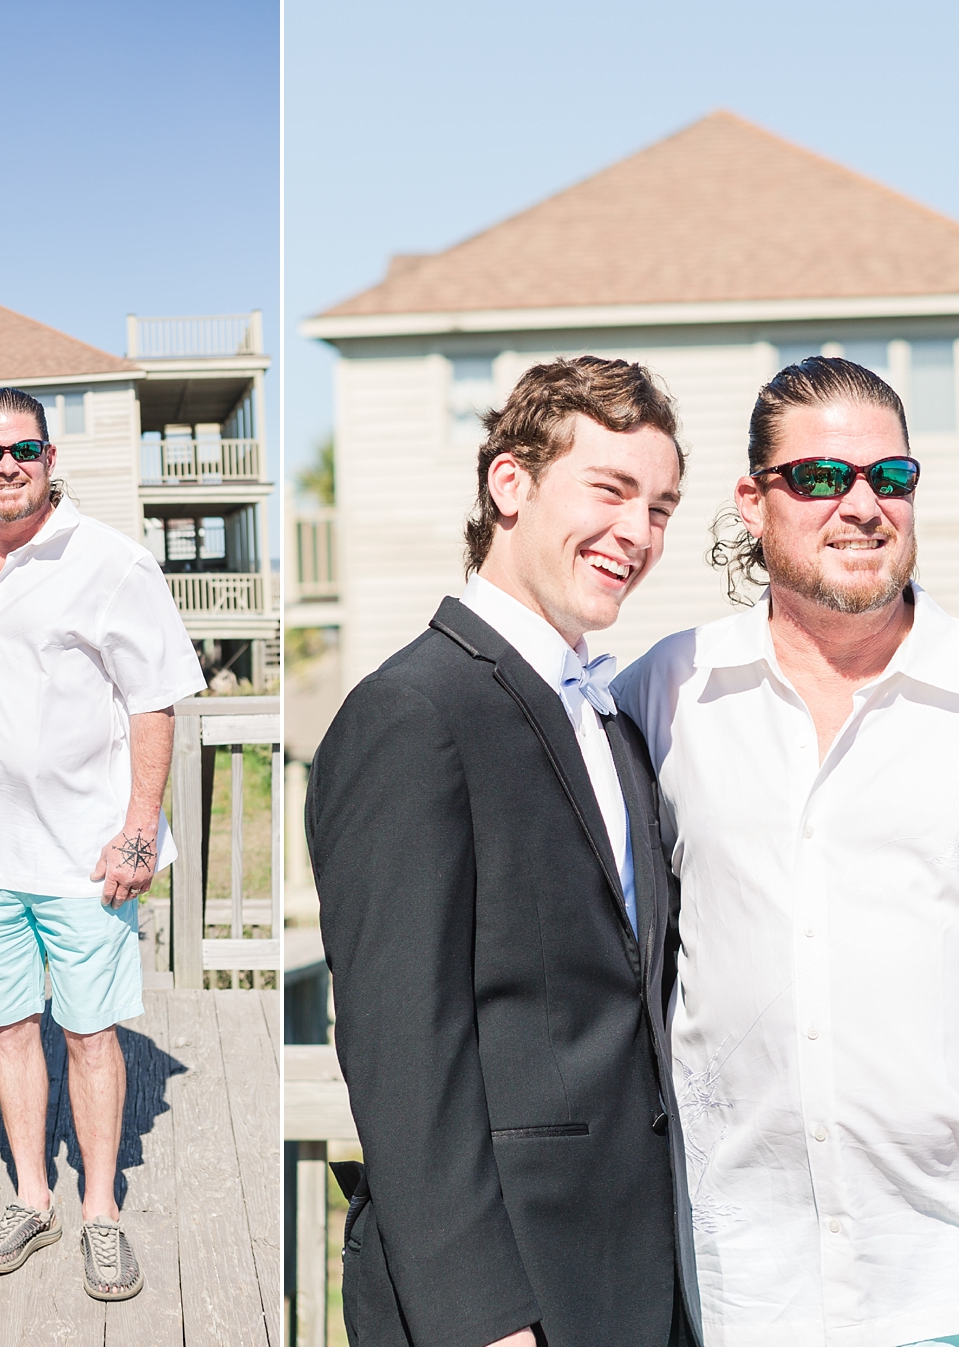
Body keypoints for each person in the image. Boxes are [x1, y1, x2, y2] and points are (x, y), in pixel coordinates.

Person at [613, 356, 959, 1347]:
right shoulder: (666, 695)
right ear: (753, 502)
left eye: (892, 477)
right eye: (821, 478)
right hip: (745, 1294)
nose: (862, 504)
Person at [307, 357, 700, 1347]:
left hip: (631, 1278)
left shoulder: (610, 720)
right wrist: (483, 1322)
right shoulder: (412, 713)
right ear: (510, 484)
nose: (637, 534)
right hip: (501, 1301)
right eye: (609, 491)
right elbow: (403, 1055)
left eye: (658, 507)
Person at [0, 387, 204, 1301]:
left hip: (83, 854)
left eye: (24, 448)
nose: (6, 465)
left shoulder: (111, 562)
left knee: (90, 1036)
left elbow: (154, 700)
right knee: (8, 1031)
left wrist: (139, 830)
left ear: (51, 458)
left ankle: (100, 1213)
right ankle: (32, 1198)